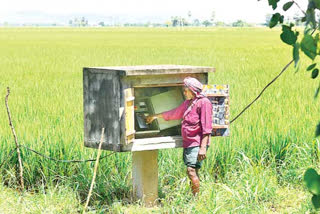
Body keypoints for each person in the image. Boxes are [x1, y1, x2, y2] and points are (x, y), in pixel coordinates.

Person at [146, 77, 213, 196]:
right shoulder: (188, 103)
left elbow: (207, 128)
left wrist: (203, 147)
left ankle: (197, 200)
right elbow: (175, 113)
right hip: (189, 142)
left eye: (185, 91)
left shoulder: (203, 103)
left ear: (192, 90)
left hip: (197, 143)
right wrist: (155, 116)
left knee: (190, 170)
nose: (184, 93)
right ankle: (195, 196)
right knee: (193, 170)